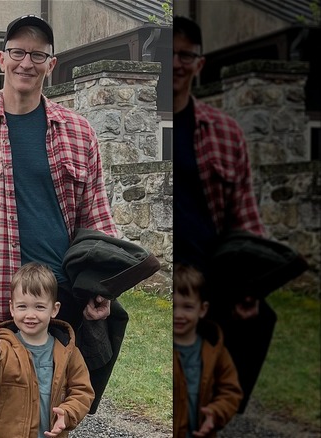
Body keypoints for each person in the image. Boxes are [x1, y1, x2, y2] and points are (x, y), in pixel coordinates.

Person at [0, 15, 123, 437]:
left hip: (57, 305)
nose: (26, 62)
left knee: (47, 421)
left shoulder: (79, 132)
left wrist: (100, 289)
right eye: (18, 52)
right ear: (2, 58)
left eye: (37, 55)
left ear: (51, 64)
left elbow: (96, 218)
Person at [173, 15, 273, 412]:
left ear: (199, 63)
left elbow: (245, 218)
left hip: (206, 287)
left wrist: (252, 285)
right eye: (169, 54)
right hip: (166, 279)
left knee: (206, 396)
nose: (177, 63)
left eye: (186, 55)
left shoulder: (226, 132)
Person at [0, 262, 94, 438]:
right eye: (22, 306)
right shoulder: (2, 346)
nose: (30, 315)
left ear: (54, 309)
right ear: (12, 308)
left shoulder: (68, 351)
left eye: (39, 307)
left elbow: (83, 391)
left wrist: (67, 413)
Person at [173, 264, 242, 437]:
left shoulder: (214, 349)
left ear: (202, 309)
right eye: (173, 306)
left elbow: (230, 390)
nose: (178, 314)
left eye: (187, 307)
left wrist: (216, 412)